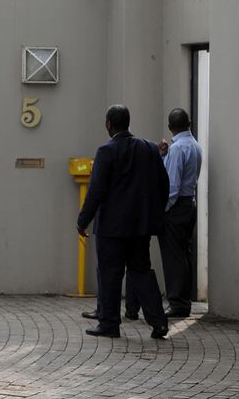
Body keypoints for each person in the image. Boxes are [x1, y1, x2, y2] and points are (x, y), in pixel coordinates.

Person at [76, 105, 168, 339]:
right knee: (142, 271)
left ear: (109, 124)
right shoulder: (149, 149)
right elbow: (163, 184)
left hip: (112, 228)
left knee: (110, 274)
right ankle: (159, 322)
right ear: (128, 122)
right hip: (140, 227)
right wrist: (154, 213)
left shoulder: (106, 151)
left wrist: (82, 220)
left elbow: (96, 191)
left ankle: (109, 324)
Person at [157, 108, 203, 318]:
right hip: (189, 204)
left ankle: (177, 303)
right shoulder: (195, 146)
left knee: (173, 256)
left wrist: (163, 209)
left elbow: (172, 186)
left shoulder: (177, 149)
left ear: (169, 127)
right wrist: (165, 155)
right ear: (190, 124)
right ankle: (184, 301)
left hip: (176, 207)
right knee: (184, 253)